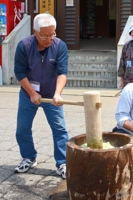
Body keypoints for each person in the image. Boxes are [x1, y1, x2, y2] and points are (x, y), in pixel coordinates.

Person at [13, 13, 69, 179]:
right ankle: (29, 157)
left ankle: (62, 163)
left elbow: (62, 72)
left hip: (51, 95)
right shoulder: (24, 46)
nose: (49, 38)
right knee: (22, 129)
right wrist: (31, 92)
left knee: (59, 129)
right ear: (34, 32)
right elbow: (19, 72)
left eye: (53, 34)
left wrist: (57, 94)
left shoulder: (60, 46)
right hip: (28, 93)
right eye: (45, 35)